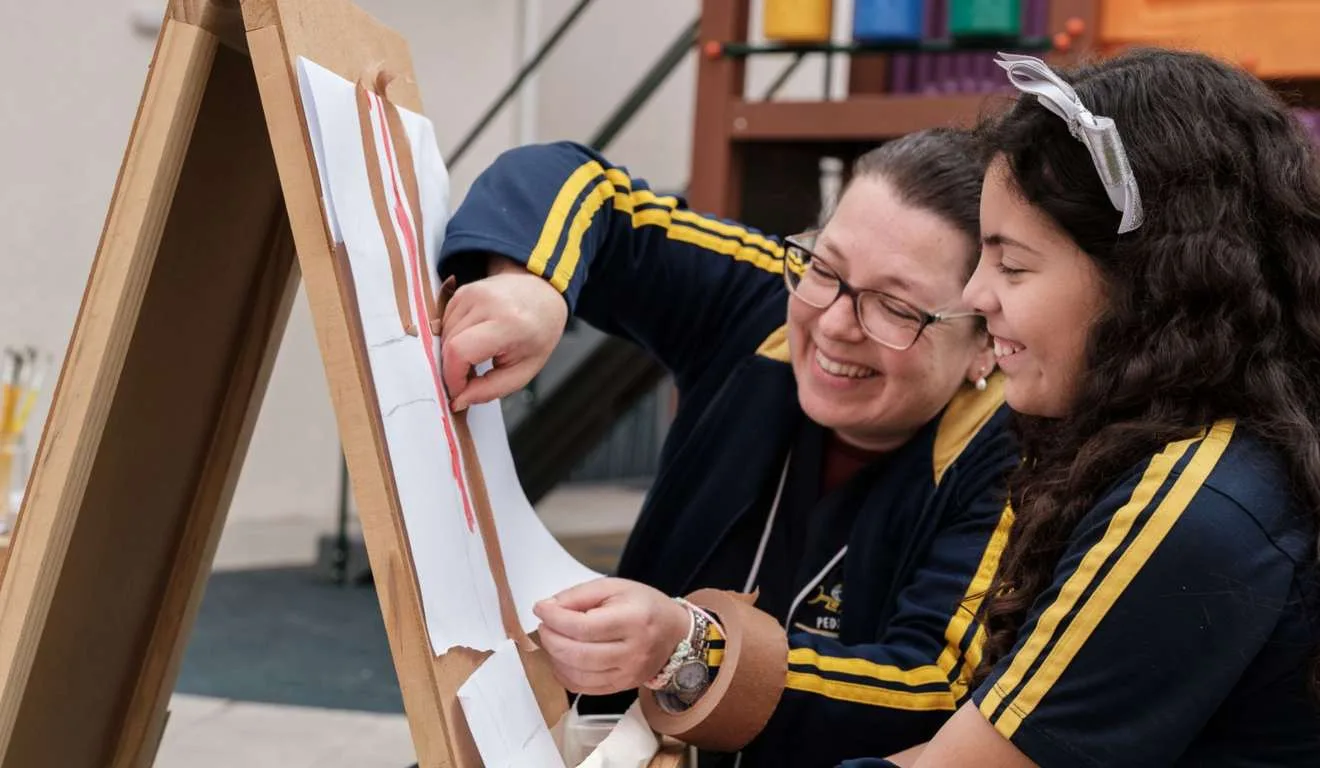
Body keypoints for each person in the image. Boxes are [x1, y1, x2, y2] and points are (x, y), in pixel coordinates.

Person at [436, 129, 1017, 765]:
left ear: (987, 343)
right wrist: (533, 284)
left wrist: (692, 651)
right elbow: (574, 181)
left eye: (896, 308)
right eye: (825, 268)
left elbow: (937, 693)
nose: (833, 323)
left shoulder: (1014, 457)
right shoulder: (764, 298)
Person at [841, 48, 1320, 767]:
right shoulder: (1237, 456)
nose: (974, 295)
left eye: (1012, 264)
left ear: (1146, 283)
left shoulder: (1192, 506)